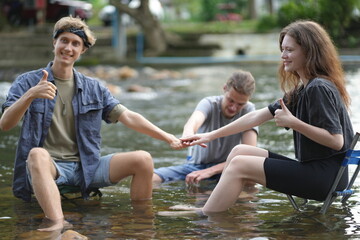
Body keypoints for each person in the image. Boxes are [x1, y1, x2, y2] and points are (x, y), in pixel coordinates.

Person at [0, 16, 183, 231]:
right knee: (37, 154)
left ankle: (141, 220)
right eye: (64, 41)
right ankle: (57, 224)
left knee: (143, 159)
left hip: (87, 167)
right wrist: (30, 95)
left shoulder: (94, 88)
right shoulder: (27, 82)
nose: (68, 48)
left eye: (75, 44)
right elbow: (5, 124)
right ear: (54, 43)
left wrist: (168, 137)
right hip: (49, 168)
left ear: (83, 50)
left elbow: (129, 116)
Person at [180, 20, 354, 214]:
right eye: (282, 49)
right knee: (239, 151)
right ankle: (228, 205)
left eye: (289, 50)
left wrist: (294, 123)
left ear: (308, 51)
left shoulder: (318, 88)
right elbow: (255, 117)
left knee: (240, 164)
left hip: (325, 178)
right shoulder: (303, 90)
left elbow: (336, 141)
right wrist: (210, 135)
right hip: (318, 171)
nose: (283, 56)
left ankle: (205, 217)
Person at [152, 70, 258, 185]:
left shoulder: (250, 110)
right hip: (197, 167)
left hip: (228, 168)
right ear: (224, 89)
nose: (233, 108)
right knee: (151, 178)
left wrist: (210, 171)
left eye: (240, 104)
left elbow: (248, 153)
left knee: (251, 177)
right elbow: (193, 121)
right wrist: (188, 135)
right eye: (230, 100)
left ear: (248, 99)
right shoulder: (209, 103)